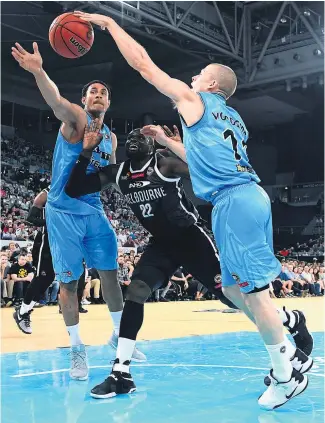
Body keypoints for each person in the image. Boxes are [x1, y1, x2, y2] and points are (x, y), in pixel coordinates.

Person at [74, 11, 313, 408]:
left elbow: (144, 65)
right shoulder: (233, 119)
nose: (192, 79)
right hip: (244, 197)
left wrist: (111, 26)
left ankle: (287, 372)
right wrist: (167, 143)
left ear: (212, 85)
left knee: (253, 294)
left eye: (199, 74)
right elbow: (204, 161)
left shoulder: (196, 100)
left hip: (232, 202)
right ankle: (289, 340)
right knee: (235, 289)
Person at [66, 121, 312, 401]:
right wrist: (85, 152)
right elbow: (74, 188)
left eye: (141, 136)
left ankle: (288, 320)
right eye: (130, 137)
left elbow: (205, 169)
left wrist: (180, 147)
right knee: (136, 291)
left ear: (153, 145)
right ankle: (121, 373)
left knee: (232, 298)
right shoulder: (118, 173)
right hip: (161, 245)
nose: (134, 139)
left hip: (191, 239)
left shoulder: (166, 165)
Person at [11, 41, 145, 379]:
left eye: (103, 92)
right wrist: (39, 70)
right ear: (85, 100)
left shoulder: (111, 139)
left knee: (111, 276)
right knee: (68, 285)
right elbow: (55, 100)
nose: (98, 95)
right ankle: (76, 348)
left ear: (109, 102)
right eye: (93, 92)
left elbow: (109, 178)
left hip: (94, 211)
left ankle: (118, 336)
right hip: (63, 213)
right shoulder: (75, 118)